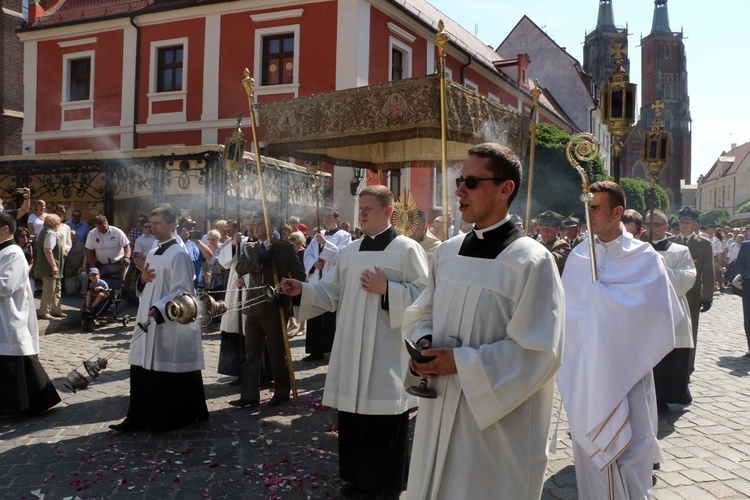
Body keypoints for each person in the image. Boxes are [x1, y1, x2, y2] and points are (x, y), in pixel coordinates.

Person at [402, 143, 564, 499]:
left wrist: (461, 363)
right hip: (439, 405)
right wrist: (426, 342)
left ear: (506, 189)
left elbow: (538, 352)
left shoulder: (531, 261)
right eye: (460, 180)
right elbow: (420, 312)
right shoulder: (447, 252)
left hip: (492, 426)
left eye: (472, 182)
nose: (459, 190)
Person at [281, 185, 428, 499]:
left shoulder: (406, 249)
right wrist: (302, 290)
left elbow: (426, 298)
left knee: (384, 418)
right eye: (359, 208)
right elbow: (331, 293)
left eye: (368, 208)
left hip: (386, 350)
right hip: (350, 347)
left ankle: (386, 481)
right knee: (353, 417)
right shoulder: (350, 251)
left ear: (389, 211)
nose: (361, 214)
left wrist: (388, 289)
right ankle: (356, 476)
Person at [557, 181, 682, 499]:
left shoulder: (644, 258)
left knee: (632, 451)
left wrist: (605, 306)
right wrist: (592, 316)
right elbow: (565, 319)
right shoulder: (579, 257)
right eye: (586, 208)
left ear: (617, 212)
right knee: (592, 458)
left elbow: (659, 315)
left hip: (629, 374)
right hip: (588, 375)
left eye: (595, 208)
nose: (589, 215)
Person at [109, 203, 208, 432]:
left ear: (172, 225)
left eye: (158, 224)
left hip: (167, 322)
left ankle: (164, 418)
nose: (153, 228)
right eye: (151, 224)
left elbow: (183, 292)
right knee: (141, 367)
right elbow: (146, 285)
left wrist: (161, 308)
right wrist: (142, 278)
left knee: (164, 370)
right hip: (147, 317)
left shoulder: (179, 253)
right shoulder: (153, 251)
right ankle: (138, 417)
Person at [230, 217, 306, 408]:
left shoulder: (284, 247)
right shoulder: (250, 247)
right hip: (254, 307)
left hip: (275, 308)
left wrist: (287, 296)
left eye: (259, 225)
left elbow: (299, 275)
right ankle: (249, 395)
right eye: (253, 226)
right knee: (251, 353)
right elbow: (239, 268)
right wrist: (260, 259)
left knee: (277, 353)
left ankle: (281, 392)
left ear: (271, 227)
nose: (255, 229)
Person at [0, 213, 61, 416]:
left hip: (10, 315)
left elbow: (6, 286)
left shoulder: (14, 253)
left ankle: (21, 405)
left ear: (5, 229)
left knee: (16, 360)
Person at [645, 209, 697, 412]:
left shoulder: (680, 250)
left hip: (671, 312)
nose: (652, 228)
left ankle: (667, 397)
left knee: (670, 359)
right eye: (649, 224)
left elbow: (686, 279)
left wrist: (660, 267)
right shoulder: (637, 249)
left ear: (667, 228)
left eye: (657, 224)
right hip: (644, 314)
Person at [302, 207, 352, 362]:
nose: (326, 219)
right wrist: (313, 263)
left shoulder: (344, 235)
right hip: (317, 280)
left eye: (329, 216)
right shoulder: (319, 235)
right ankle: (315, 350)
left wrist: (325, 245)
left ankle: (333, 350)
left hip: (332, 281)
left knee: (331, 317)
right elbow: (307, 253)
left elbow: (343, 256)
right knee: (315, 316)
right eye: (324, 216)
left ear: (337, 219)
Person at [671, 206, 714, 375]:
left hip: (693, 298)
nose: (683, 225)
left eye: (687, 223)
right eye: (681, 222)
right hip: (672, 295)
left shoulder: (704, 245)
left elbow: (708, 272)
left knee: (690, 334)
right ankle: (672, 367)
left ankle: (687, 368)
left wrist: (707, 296)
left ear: (695, 224)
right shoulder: (671, 242)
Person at [216, 221, 249, 383]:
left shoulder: (254, 241)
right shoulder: (234, 241)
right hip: (235, 288)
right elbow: (223, 261)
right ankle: (238, 369)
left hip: (250, 289)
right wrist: (234, 245)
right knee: (234, 326)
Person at [35, 214, 66, 320]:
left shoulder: (44, 232)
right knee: (49, 289)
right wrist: (54, 266)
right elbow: (48, 251)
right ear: (56, 224)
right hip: (49, 267)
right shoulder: (50, 234)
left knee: (57, 288)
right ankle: (44, 311)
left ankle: (56, 310)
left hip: (51, 267)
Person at [85, 215, 131, 284]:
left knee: (125, 277)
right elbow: (89, 252)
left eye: (103, 227)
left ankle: (125, 292)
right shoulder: (92, 234)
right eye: (99, 228)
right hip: (102, 263)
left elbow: (126, 246)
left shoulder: (117, 232)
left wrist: (127, 257)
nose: (101, 230)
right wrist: (93, 267)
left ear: (107, 223)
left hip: (118, 262)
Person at [537, 209, 571, 275]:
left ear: (558, 230)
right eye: (543, 229)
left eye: (549, 229)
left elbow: (551, 261)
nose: (546, 232)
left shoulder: (563, 245)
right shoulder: (537, 245)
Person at [733, 238, 750, 356]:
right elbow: (738, 264)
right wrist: (747, 274)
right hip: (749, 286)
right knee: (748, 317)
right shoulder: (746, 245)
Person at [63, 230, 87, 296]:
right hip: (69, 272)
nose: (74, 237)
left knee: (84, 275)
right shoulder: (65, 246)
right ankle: (76, 286)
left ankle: (83, 292)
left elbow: (85, 256)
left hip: (79, 270)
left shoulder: (81, 245)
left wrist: (83, 266)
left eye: (76, 236)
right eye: (72, 236)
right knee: (70, 292)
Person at [14, 227, 35, 292]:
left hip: (27, 272)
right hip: (17, 273)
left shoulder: (29, 246)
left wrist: (29, 268)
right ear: (17, 237)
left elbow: (31, 260)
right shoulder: (14, 247)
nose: (25, 237)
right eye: (22, 236)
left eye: (27, 235)